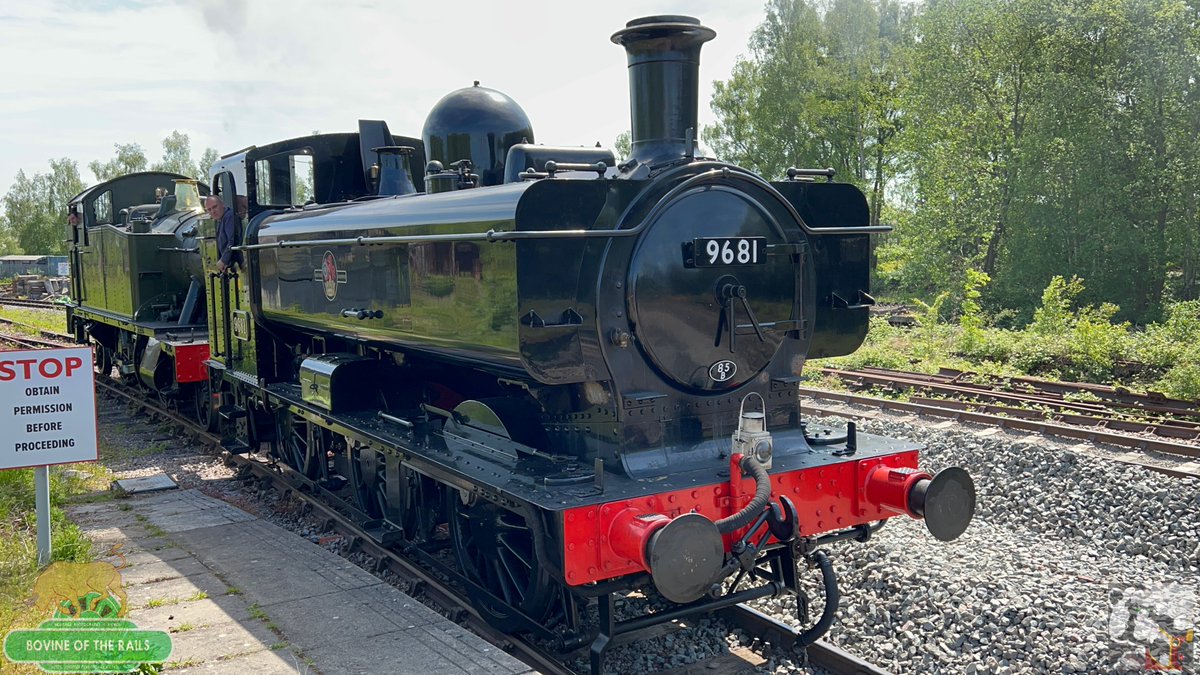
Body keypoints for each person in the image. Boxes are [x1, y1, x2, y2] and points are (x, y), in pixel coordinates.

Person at [205, 196, 240, 274]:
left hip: (238, 262)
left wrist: (223, 260)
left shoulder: (229, 216)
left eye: (214, 207)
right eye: (209, 209)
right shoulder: (221, 219)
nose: (213, 211)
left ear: (222, 204)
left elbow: (232, 240)